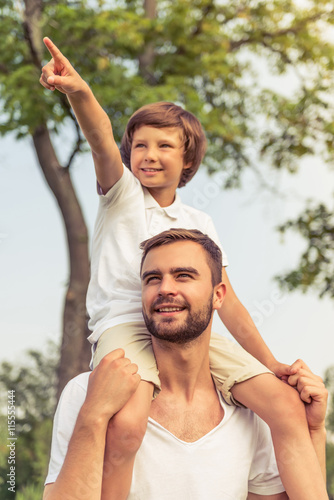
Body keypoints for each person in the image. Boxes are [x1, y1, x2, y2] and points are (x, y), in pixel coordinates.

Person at [40, 40, 328, 499]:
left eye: (164, 146)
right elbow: (99, 136)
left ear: (188, 159)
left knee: (285, 406)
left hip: (194, 334)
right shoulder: (121, 197)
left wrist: (268, 362)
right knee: (129, 424)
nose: (148, 155)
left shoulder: (200, 224)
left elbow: (227, 301)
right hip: (128, 328)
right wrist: (78, 92)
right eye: (139, 145)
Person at [43, 229, 328, 500]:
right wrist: (93, 416)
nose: (165, 288)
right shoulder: (87, 394)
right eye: (152, 278)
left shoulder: (255, 413)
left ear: (218, 295)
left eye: (183, 276)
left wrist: (314, 430)